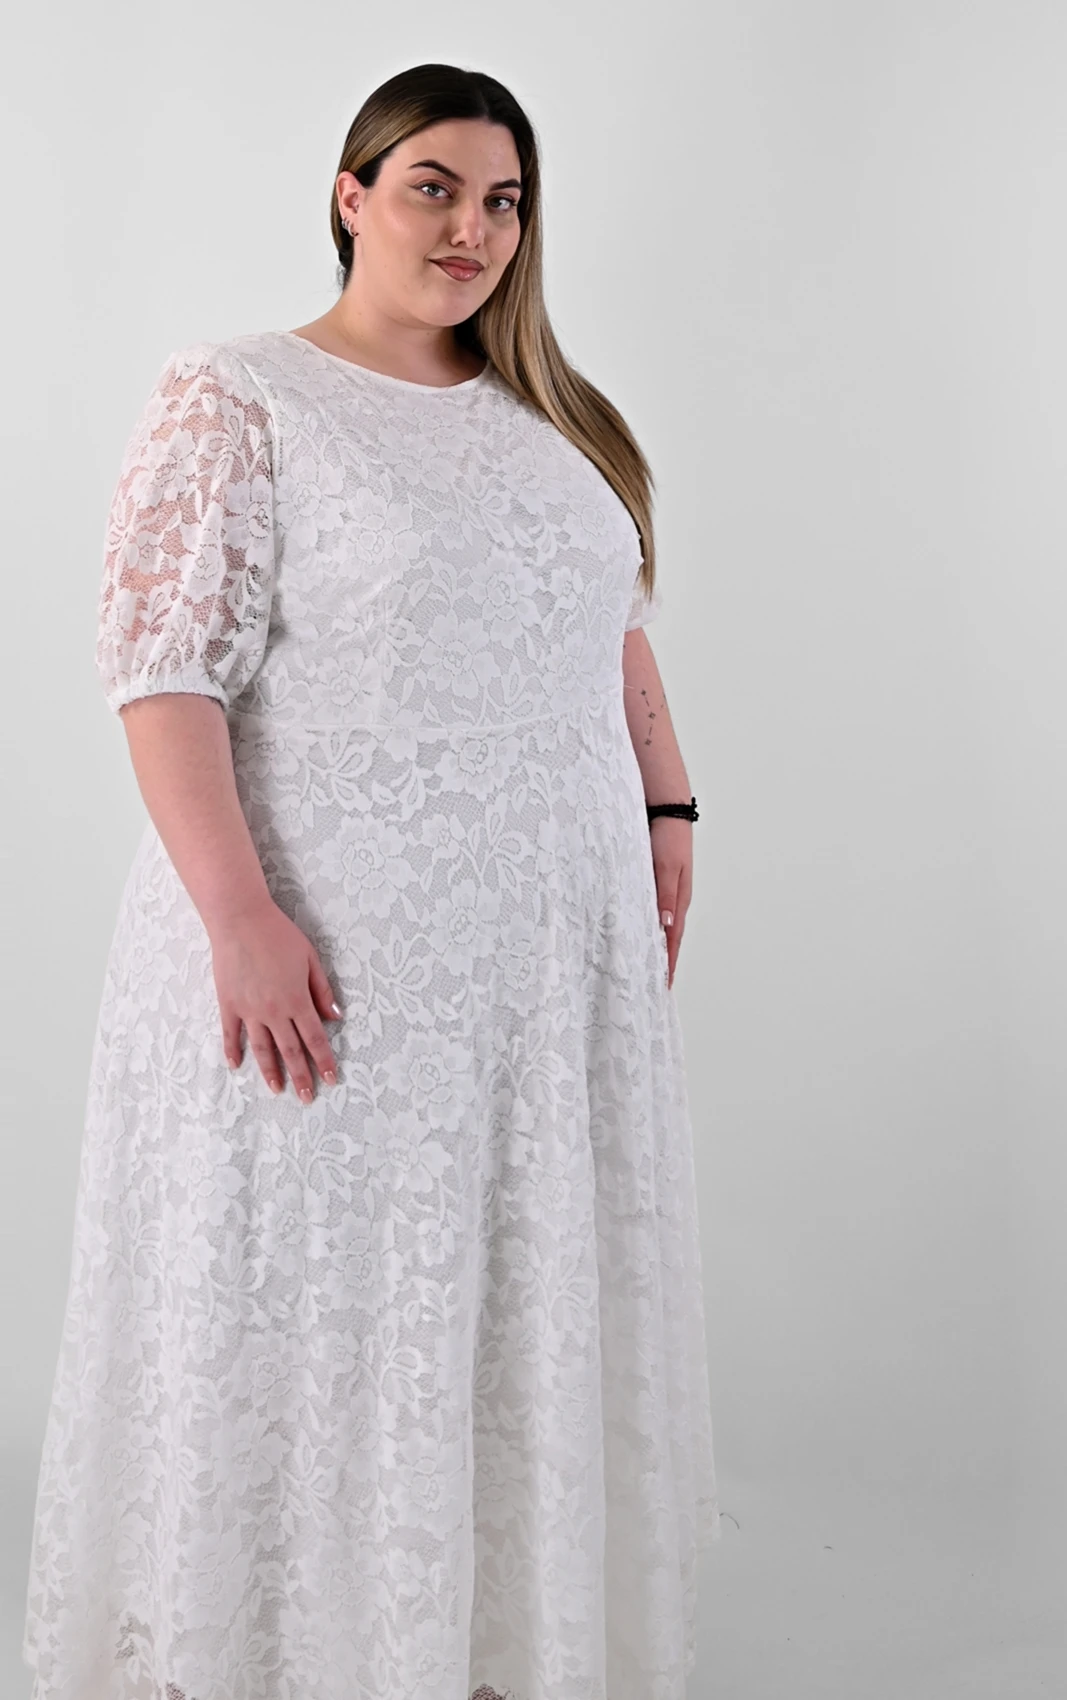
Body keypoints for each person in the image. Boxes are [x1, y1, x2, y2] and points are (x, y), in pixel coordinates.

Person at [22, 60, 720, 1700]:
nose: (472, 228)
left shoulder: (553, 413)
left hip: (539, 968)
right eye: (433, 188)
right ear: (351, 195)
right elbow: (162, 671)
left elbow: (610, 622)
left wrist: (668, 805)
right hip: (331, 950)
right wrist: (239, 917)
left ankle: (473, 1642)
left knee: (501, 1285)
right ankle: (277, 1653)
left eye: (503, 201)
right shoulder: (241, 394)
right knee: (327, 1299)